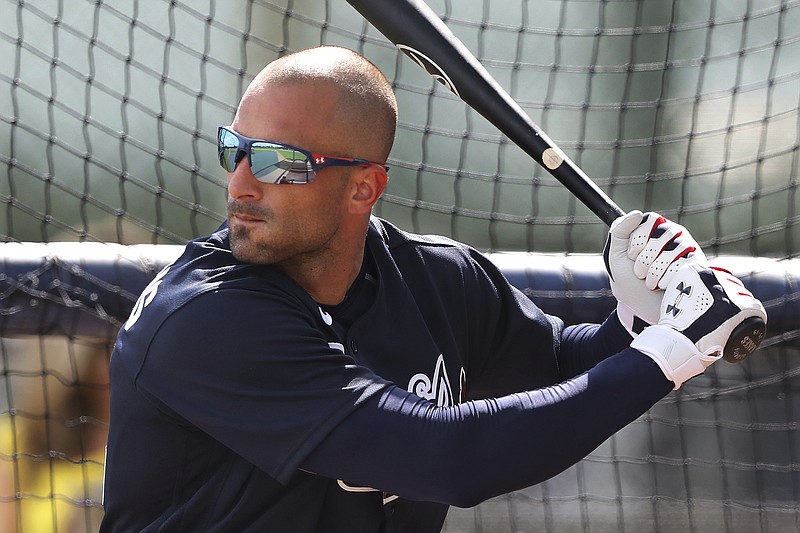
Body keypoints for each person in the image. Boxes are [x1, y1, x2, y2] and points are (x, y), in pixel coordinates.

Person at [100, 45, 765, 532]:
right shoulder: (207, 319)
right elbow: (449, 458)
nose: (241, 183)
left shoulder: (438, 280)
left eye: (278, 162)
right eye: (234, 149)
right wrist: (671, 352)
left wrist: (638, 321)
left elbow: (561, 366)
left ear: (364, 187)